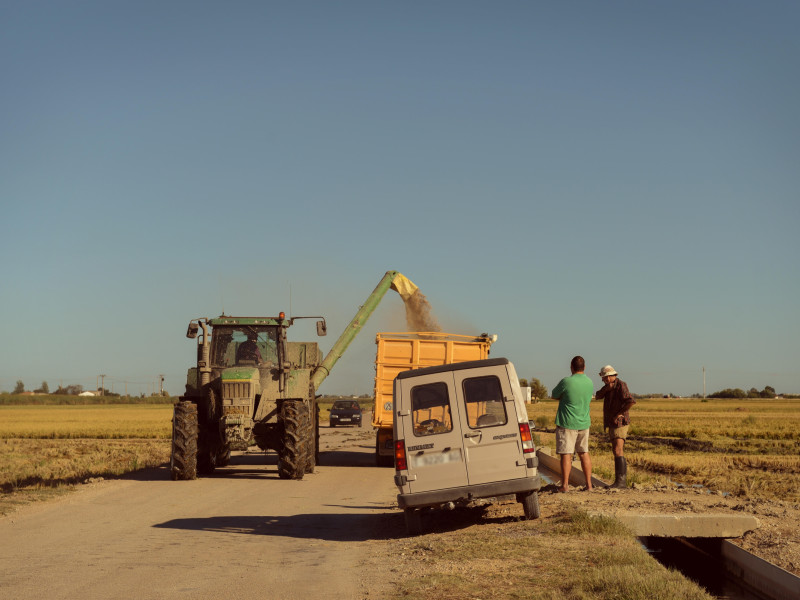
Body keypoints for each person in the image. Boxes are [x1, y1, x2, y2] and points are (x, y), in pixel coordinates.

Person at [551, 356, 594, 492]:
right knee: (584, 453)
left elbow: (554, 394)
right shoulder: (590, 382)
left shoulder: (566, 382)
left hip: (567, 423)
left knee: (566, 454)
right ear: (584, 367)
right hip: (584, 422)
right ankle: (589, 485)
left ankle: (564, 485)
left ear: (571, 366)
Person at [596, 365, 635, 489]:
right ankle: (618, 481)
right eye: (603, 378)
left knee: (618, 450)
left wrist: (620, 413)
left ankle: (621, 482)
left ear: (612, 376)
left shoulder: (621, 385)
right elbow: (597, 395)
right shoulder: (608, 387)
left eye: (605, 377)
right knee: (615, 450)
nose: (604, 380)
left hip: (620, 422)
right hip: (612, 422)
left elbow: (630, 401)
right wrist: (607, 389)